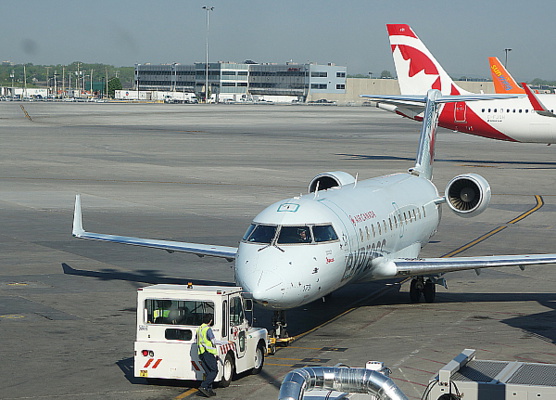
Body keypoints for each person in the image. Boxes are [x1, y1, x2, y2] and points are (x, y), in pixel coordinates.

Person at [196, 314, 218, 397]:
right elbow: (214, 342)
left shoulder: (199, 329)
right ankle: (204, 386)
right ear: (210, 321)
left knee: (208, 372)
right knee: (214, 370)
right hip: (208, 353)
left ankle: (209, 390)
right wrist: (227, 342)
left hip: (201, 353)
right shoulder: (208, 330)